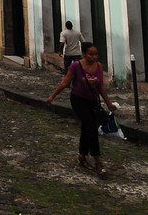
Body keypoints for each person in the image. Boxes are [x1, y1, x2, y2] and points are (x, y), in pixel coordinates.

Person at [46, 42, 118, 176]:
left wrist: (108, 104)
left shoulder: (99, 66)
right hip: (78, 100)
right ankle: (98, 161)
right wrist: (52, 96)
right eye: (91, 54)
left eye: (96, 54)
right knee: (91, 127)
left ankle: (82, 156)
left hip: (92, 101)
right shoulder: (76, 66)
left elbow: (101, 87)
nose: (94, 57)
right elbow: (65, 83)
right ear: (84, 54)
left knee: (87, 127)